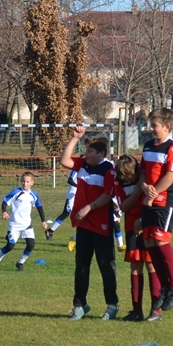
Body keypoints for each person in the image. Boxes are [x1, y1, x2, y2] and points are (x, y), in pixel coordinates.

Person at [64, 126, 119, 321]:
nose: (86, 154)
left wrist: (88, 207)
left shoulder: (109, 170)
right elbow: (64, 160)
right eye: (85, 151)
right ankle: (79, 305)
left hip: (101, 225)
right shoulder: (83, 165)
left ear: (101, 154)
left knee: (106, 265)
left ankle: (112, 305)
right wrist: (74, 138)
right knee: (81, 266)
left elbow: (108, 195)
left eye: (90, 151)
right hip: (83, 224)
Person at [137, 108, 173, 321]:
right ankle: (165, 287)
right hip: (149, 200)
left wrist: (153, 194)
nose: (151, 129)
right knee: (149, 243)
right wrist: (144, 187)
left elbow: (170, 176)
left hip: (165, 202)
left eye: (154, 125)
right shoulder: (148, 145)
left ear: (166, 126)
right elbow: (142, 173)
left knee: (161, 241)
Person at [112, 154, 160, 322]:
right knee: (135, 266)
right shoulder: (119, 181)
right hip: (131, 226)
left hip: (148, 222)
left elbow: (154, 198)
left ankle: (155, 310)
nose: (127, 179)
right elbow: (123, 206)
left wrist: (143, 218)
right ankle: (136, 311)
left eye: (130, 175)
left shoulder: (143, 177)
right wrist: (139, 190)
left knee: (151, 264)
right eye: (124, 176)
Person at [0, 172, 47, 271]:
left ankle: (20, 263)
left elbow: (39, 206)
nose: (25, 184)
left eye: (27, 182)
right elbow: (5, 201)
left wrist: (43, 221)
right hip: (14, 224)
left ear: (32, 183)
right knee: (10, 246)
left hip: (27, 225)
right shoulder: (15, 192)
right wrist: (4, 211)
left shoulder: (34, 195)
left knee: (31, 245)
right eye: (23, 181)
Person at [45, 169, 78, 252]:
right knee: (66, 213)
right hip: (72, 194)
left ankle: (78, 238)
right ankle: (50, 231)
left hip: (81, 195)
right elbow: (70, 180)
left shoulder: (88, 169)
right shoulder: (76, 169)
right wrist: (79, 186)